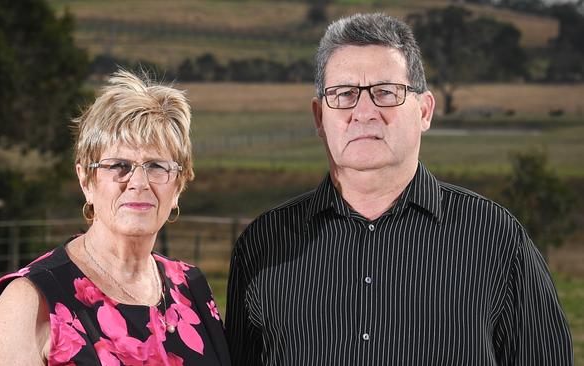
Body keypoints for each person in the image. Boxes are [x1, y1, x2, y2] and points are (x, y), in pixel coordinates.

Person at [225, 13, 573, 365]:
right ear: (319, 117)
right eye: (344, 94)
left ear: (424, 110)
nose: (364, 112)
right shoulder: (262, 245)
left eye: (385, 92)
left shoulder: (496, 238)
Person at [0, 70, 231, 365]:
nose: (138, 182)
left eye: (157, 166)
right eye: (119, 165)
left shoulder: (191, 287)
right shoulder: (30, 302)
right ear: (86, 181)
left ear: (178, 185)